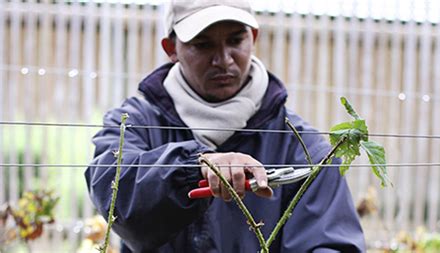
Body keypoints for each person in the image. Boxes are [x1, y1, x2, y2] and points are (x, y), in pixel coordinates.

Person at [85, 0, 366, 252]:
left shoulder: (302, 147)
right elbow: (113, 193)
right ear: (171, 49)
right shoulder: (135, 122)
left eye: (235, 40)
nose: (223, 59)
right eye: (203, 44)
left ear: (253, 38)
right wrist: (194, 166)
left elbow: (331, 245)